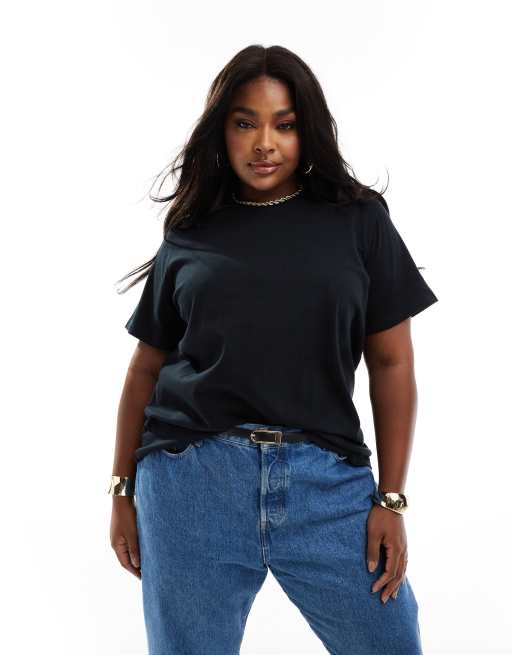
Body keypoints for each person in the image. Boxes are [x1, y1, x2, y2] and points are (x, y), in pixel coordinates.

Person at [109, 44, 438, 655]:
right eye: (245, 124)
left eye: (283, 125)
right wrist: (122, 490)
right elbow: (144, 370)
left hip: (326, 484)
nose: (264, 144)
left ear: (306, 130)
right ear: (221, 131)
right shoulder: (192, 228)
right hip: (191, 481)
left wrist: (391, 499)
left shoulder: (359, 220)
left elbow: (392, 363)